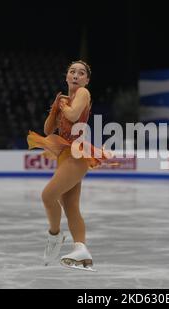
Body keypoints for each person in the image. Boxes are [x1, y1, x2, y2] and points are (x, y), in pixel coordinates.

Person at [27, 60, 112, 271]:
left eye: (81, 73)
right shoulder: (65, 99)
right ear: (66, 76)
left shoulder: (83, 93)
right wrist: (55, 108)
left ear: (86, 79)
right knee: (71, 206)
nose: (76, 75)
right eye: (72, 72)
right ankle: (82, 251)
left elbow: (73, 115)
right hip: (64, 153)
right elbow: (48, 130)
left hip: (77, 153)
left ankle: (55, 236)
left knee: (47, 196)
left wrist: (63, 106)